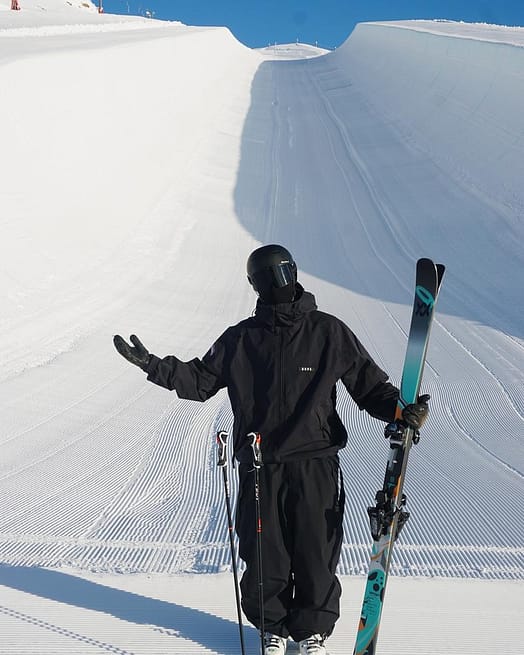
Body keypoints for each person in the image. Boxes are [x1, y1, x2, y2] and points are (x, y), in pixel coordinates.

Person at [113, 244, 428, 655]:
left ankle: (311, 632)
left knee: (316, 551)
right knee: (264, 555)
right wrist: (154, 366)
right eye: (267, 275)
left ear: (293, 273)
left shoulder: (327, 332)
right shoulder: (241, 339)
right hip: (260, 465)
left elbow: (369, 387)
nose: (277, 281)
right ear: (254, 284)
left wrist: (401, 411)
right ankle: (273, 629)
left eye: (281, 272)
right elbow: (201, 381)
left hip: (315, 462)